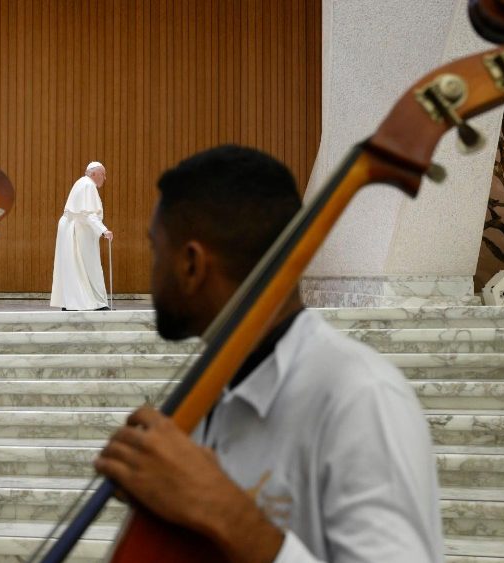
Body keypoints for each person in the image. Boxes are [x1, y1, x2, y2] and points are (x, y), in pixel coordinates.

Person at [93, 146, 443, 562]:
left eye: (156, 250)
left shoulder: (363, 396)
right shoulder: (211, 393)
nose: (153, 272)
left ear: (191, 264)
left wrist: (225, 511)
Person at [51, 161, 114, 311]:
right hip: (79, 229)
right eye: (102, 174)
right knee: (88, 265)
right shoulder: (88, 185)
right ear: (93, 173)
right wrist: (103, 230)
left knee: (73, 265)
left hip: (71, 227)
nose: (104, 178)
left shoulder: (81, 182)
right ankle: (97, 303)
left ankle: (71, 302)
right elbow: (88, 213)